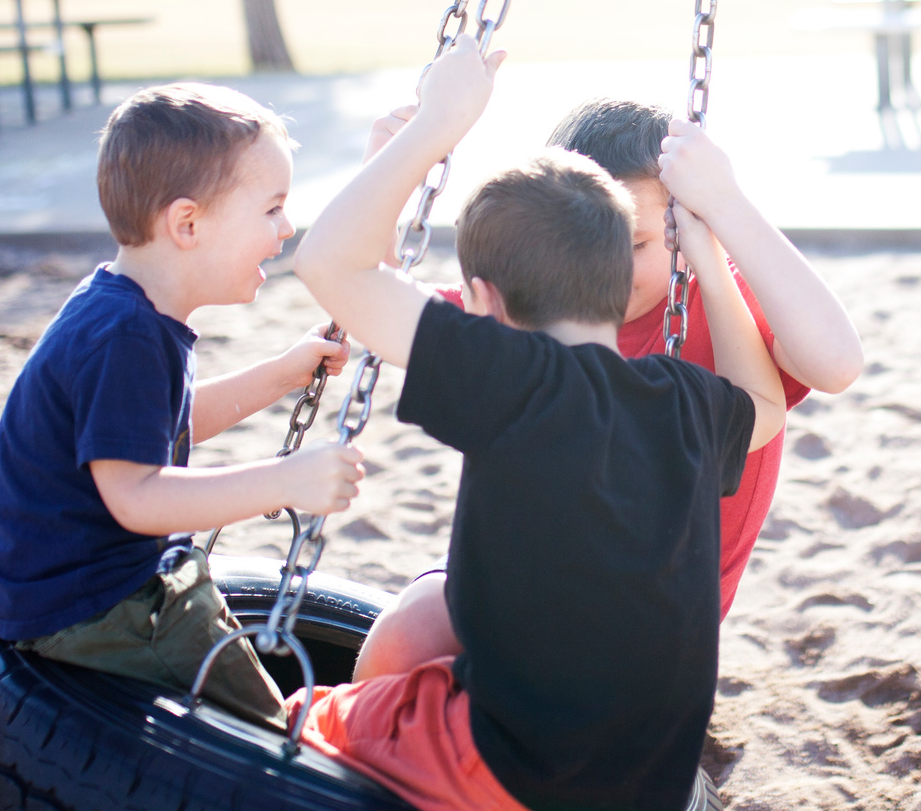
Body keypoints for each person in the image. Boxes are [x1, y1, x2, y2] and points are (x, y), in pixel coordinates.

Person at [287, 40, 788, 811]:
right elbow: (764, 402)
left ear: (481, 302)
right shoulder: (686, 400)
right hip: (647, 806)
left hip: (513, 783)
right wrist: (707, 252)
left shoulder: (509, 379)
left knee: (292, 725)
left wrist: (434, 131)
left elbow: (325, 262)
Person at [362, 96, 862, 626]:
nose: (610, 266)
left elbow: (836, 364)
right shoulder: (532, 302)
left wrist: (725, 206)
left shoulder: (721, 303)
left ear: (681, 226)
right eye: (585, 244)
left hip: (660, 616)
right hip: (534, 588)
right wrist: (385, 176)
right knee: (408, 625)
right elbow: (383, 303)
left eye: (637, 242)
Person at [0, 83, 366, 727]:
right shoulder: (124, 335)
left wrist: (279, 375)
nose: (286, 228)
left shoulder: (124, 307)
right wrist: (283, 480)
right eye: (271, 208)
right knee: (270, 733)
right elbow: (136, 497)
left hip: (74, 590)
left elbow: (165, 429)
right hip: (98, 607)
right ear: (187, 224)